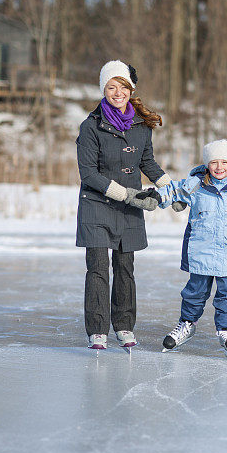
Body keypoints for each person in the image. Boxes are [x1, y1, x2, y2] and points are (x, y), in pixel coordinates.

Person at [75, 60, 173, 350]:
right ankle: (97, 330)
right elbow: (88, 173)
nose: (118, 93)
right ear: (103, 89)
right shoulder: (91, 126)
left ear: (132, 89)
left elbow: (146, 162)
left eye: (124, 87)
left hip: (129, 204)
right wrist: (125, 194)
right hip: (96, 202)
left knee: (125, 266)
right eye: (111, 87)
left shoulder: (142, 126)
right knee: (97, 268)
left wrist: (171, 187)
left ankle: (124, 326)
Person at [156, 139, 227, 357]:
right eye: (214, 162)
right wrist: (155, 196)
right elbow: (173, 190)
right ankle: (187, 324)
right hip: (200, 251)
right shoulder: (196, 185)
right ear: (207, 164)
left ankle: (226, 330)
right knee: (194, 292)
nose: (219, 167)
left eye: (224, 162)